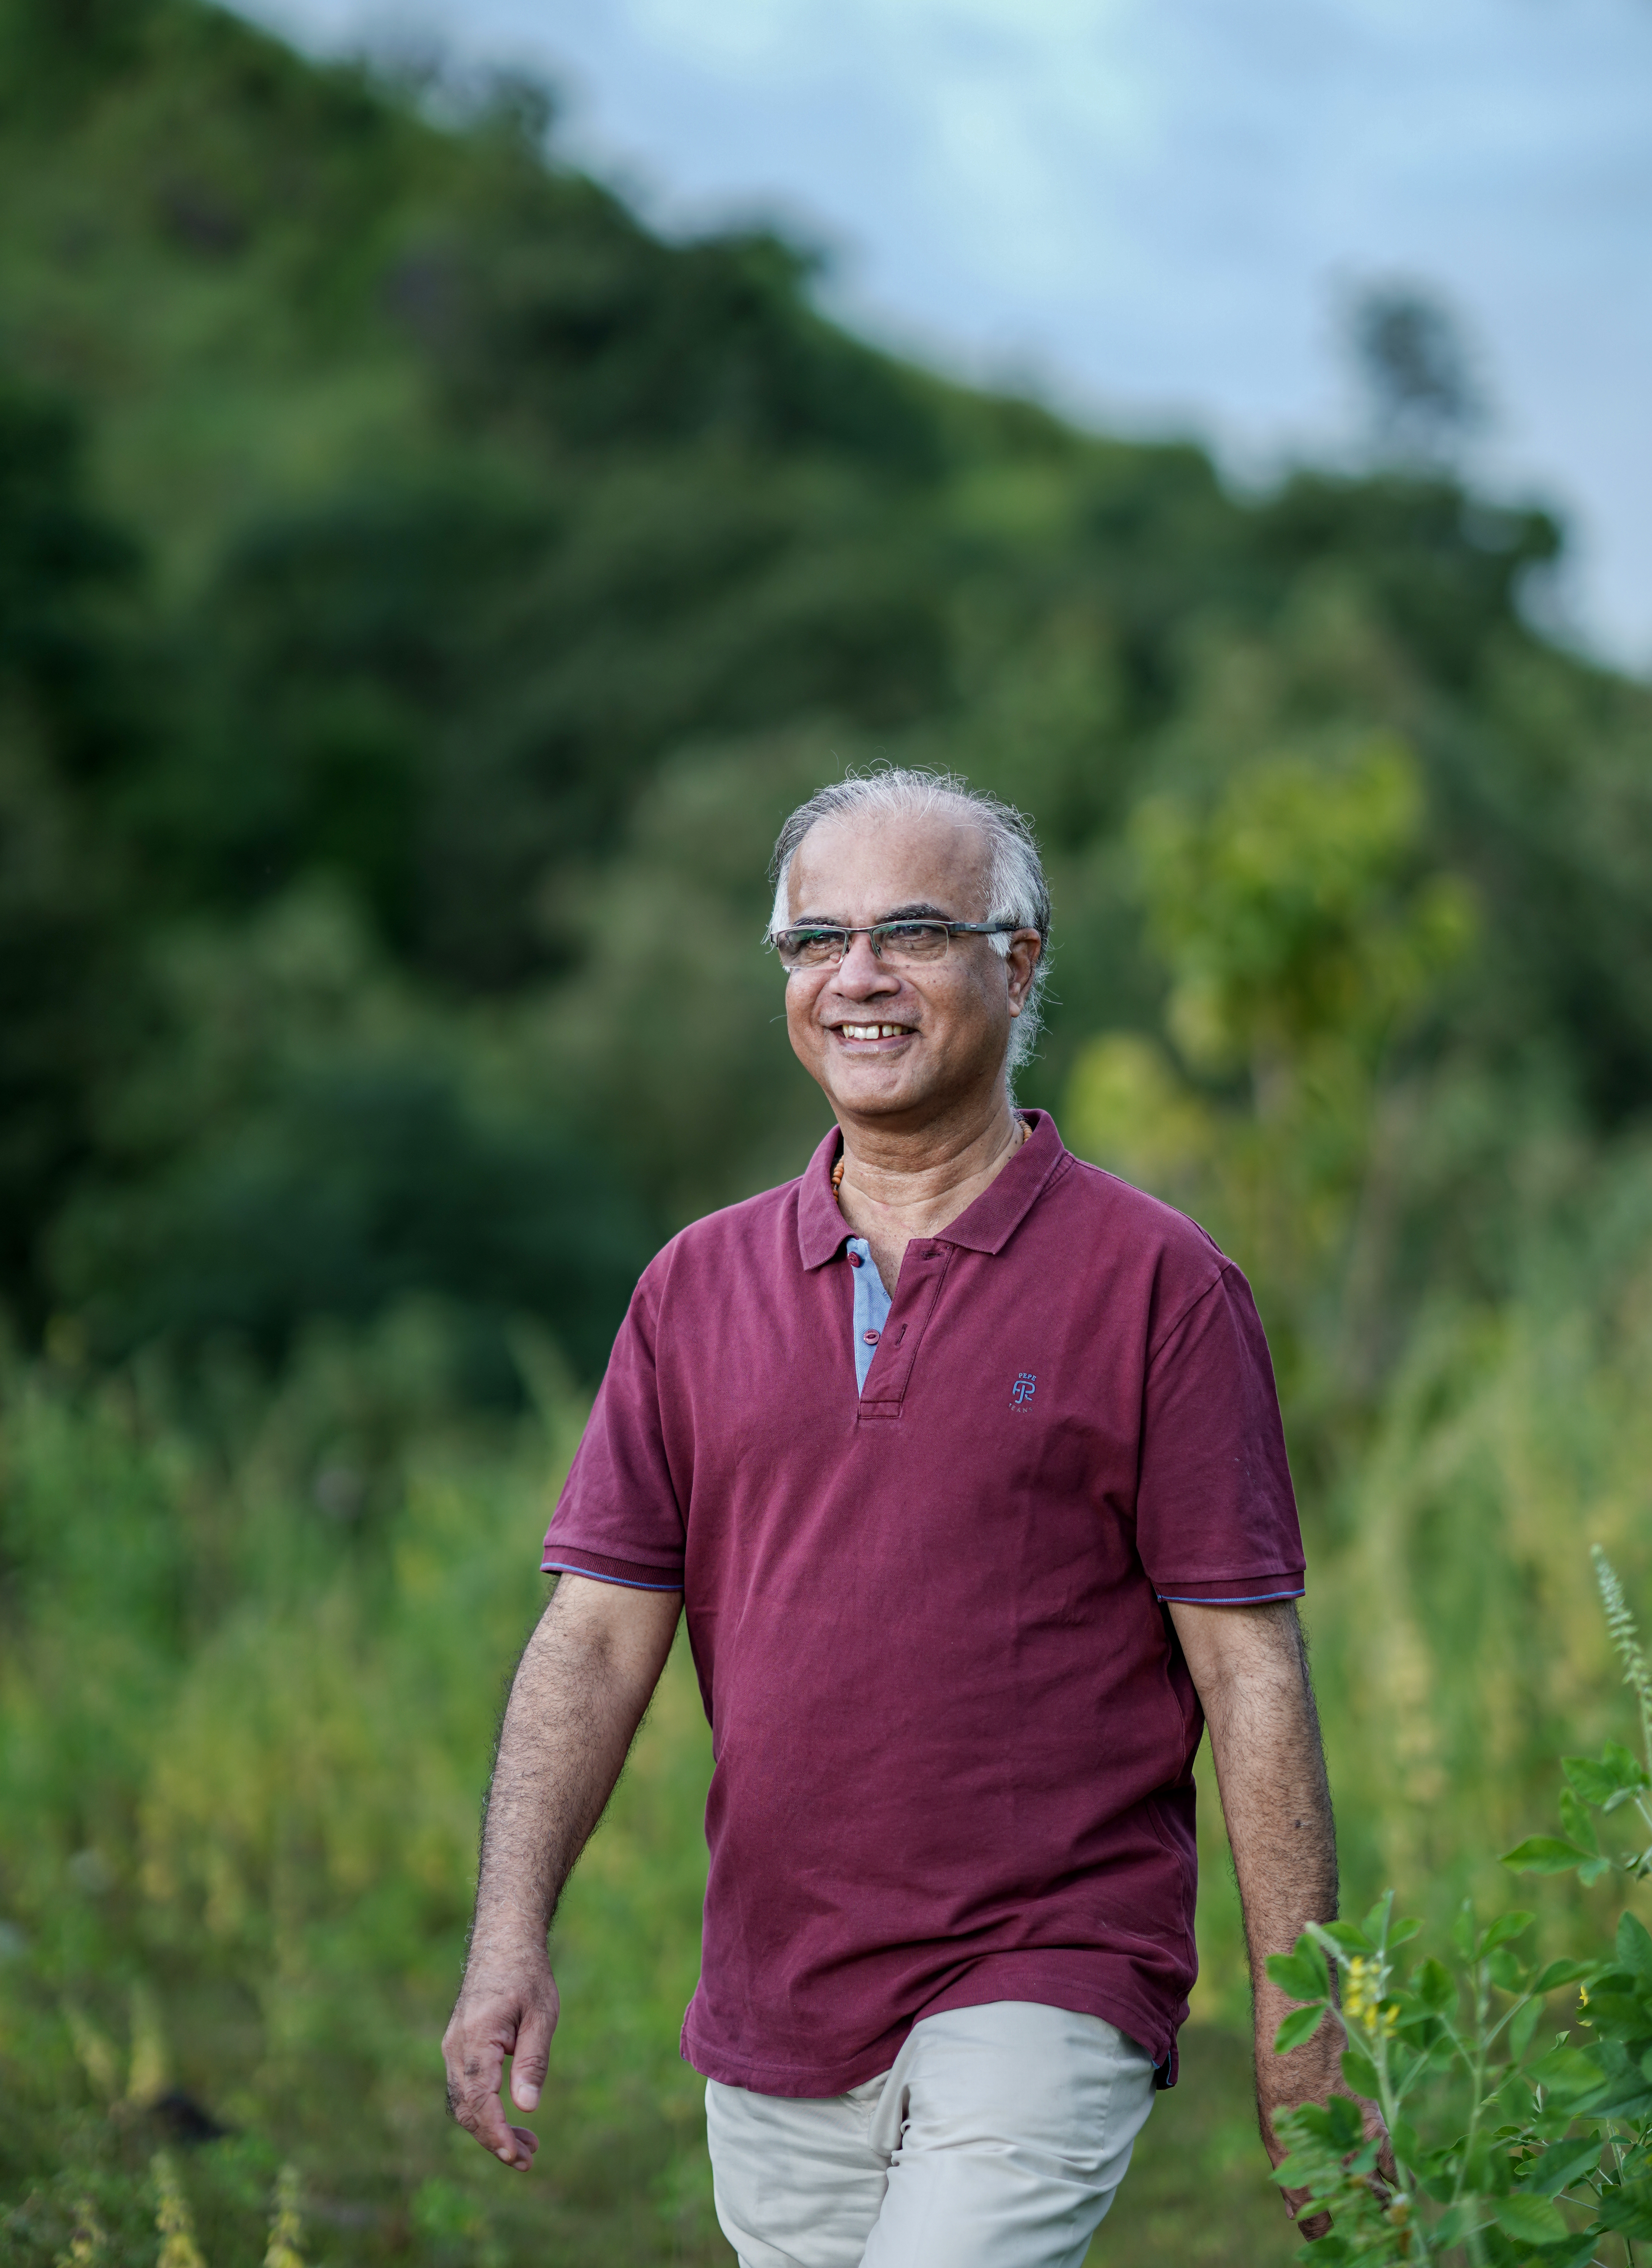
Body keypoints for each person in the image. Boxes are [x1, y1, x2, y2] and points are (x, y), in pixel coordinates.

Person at [442, 766, 1377, 2267]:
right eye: (816, 941)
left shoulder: (1160, 1286)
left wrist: (1301, 2030)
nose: (856, 977)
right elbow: (599, 1638)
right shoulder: (694, 1287)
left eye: (913, 932)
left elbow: (1249, 1671)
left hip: (1051, 1967)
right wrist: (507, 1934)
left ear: (1016, 965)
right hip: (777, 1998)